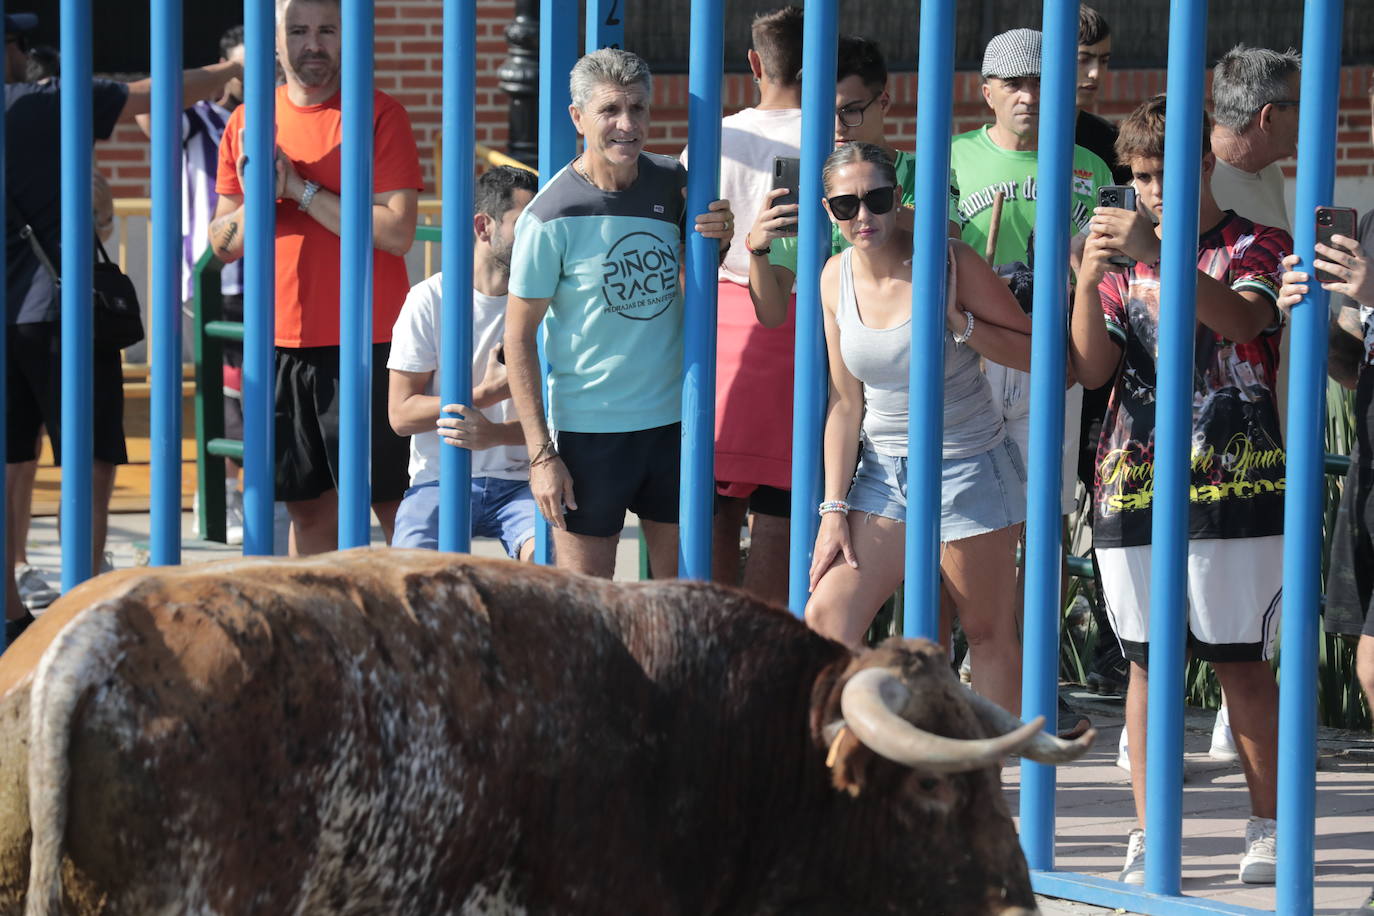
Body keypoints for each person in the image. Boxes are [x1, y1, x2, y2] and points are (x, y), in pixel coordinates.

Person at [1071, 94, 1287, 887]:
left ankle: (1265, 827)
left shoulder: (1258, 242)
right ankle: (1147, 833)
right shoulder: (1121, 250)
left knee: (1240, 663)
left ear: (1205, 162)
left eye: (1162, 172)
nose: (1149, 189)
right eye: (1137, 176)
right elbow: (1094, 370)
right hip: (1133, 481)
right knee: (1147, 665)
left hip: (1238, 480)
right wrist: (1088, 276)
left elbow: (1240, 323)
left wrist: (1156, 251)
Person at [4, 12, 243, 645]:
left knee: (12, 459)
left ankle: (7, 618)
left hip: (7, 319)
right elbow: (156, 90)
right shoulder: (47, 103)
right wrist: (230, 70)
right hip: (60, 313)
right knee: (90, 458)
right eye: (21, 44)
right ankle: (78, 609)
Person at [802, 141, 1033, 717]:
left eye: (877, 199)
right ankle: (872, 757)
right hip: (884, 474)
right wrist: (833, 510)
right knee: (826, 620)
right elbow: (845, 403)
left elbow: (1038, 353)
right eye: (845, 205)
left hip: (970, 463)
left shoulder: (950, 261)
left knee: (986, 635)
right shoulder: (833, 278)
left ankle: (986, 784)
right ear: (828, 208)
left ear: (898, 198)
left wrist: (961, 323)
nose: (863, 216)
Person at [504, 48, 733, 580]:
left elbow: (690, 277)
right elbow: (518, 339)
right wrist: (541, 456)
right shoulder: (549, 215)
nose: (627, 124)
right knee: (591, 614)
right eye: (609, 110)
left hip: (674, 425)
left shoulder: (674, 182)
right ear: (577, 117)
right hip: (588, 435)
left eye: (638, 108)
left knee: (681, 604)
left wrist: (716, 242)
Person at [210, 0, 422, 557]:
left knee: (396, 502)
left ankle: (417, 634)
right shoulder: (247, 121)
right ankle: (323, 637)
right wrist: (264, 194)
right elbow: (221, 243)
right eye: (298, 30)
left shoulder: (379, 114)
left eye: (327, 29)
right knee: (307, 507)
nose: (312, 44)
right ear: (276, 42)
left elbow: (397, 231)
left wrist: (300, 191)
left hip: (372, 344)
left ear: (347, 37)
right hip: (283, 344)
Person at [950, 27, 1111, 736]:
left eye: (1042, 82)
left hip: (1055, 359)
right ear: (985, 90)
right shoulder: (955, 159)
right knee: (967, 516)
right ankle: (966, 665)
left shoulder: (1089, 166)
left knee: (1042, 517)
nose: (1028, 95)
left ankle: (1038, 676)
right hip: (976, 354)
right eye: (1013, 83)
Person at [679, 5, 802, 604]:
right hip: (801, 317)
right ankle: (764, 641)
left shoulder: (717, 136)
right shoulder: (836, 138)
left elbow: (684, 231)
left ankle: (715, 632)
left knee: (715, 500)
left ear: (754, 62)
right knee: (783, 497)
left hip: (718, 323)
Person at [1202, 43, 1302, 763]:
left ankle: (1226, 727)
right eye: (1297, 110)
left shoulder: (1264, 179)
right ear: (1269, 114)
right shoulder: (1206, 184)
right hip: (1212, 418)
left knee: (1239, 591)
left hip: (1262, 405)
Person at [387, 166, 539, 559]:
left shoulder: (546, 301)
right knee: (412, 573)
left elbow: (566, 416)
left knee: (550, 564)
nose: (538, 238)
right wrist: (483, 395)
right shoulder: (430, 299)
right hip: (439, 480)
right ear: (483, 226)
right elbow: (401, 415)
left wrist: (496, 435)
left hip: (523, 480)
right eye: (525, 224)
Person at [137, 25, 249, 543]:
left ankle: (257, 495)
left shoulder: (276, 119)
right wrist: (219, 76)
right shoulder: (199, 119)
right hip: (210, 277)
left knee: (265, 394)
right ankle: (223, 497)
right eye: (242, 68)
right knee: (224, 394)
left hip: (271, 278)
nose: (251, 79)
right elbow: (145, 108)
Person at [1073, 6, 1131, 185]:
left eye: (1104, 60)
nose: (1095, 73)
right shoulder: (1024, 133)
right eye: (1083, 59)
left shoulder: (1109, 140)